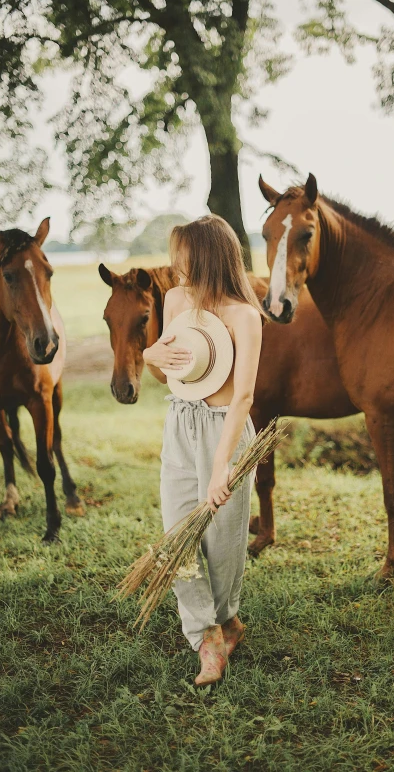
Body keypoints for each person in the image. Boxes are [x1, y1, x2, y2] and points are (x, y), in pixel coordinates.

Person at [142, 214, 264, 686]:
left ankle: (228, 617)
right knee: (178, 537)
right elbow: (169, 359)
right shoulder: (174, 300)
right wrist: (151, 353)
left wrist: (221, 468)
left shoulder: (244, 316)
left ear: (210, 257)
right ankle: (207, 636)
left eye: (184, 257)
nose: (176, 266)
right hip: (181, 422)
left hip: (225, 431)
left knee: (223, 541)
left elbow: (243, 398)